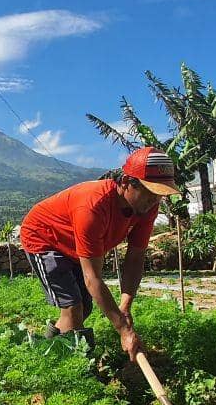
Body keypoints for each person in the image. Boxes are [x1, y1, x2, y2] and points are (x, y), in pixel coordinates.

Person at [19, 147, 180, 361]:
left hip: (74, 246)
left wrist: (125, 304)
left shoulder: (146, 208)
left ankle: (43, 352)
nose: (155, 200)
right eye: (149, 192)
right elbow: (92, 279)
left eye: (160, 194)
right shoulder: (93, 206)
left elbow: (135, 256)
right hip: (45, 238)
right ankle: (71, 367)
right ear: (125, 182)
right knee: (73, 308)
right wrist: (124, 330)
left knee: (84, 309)